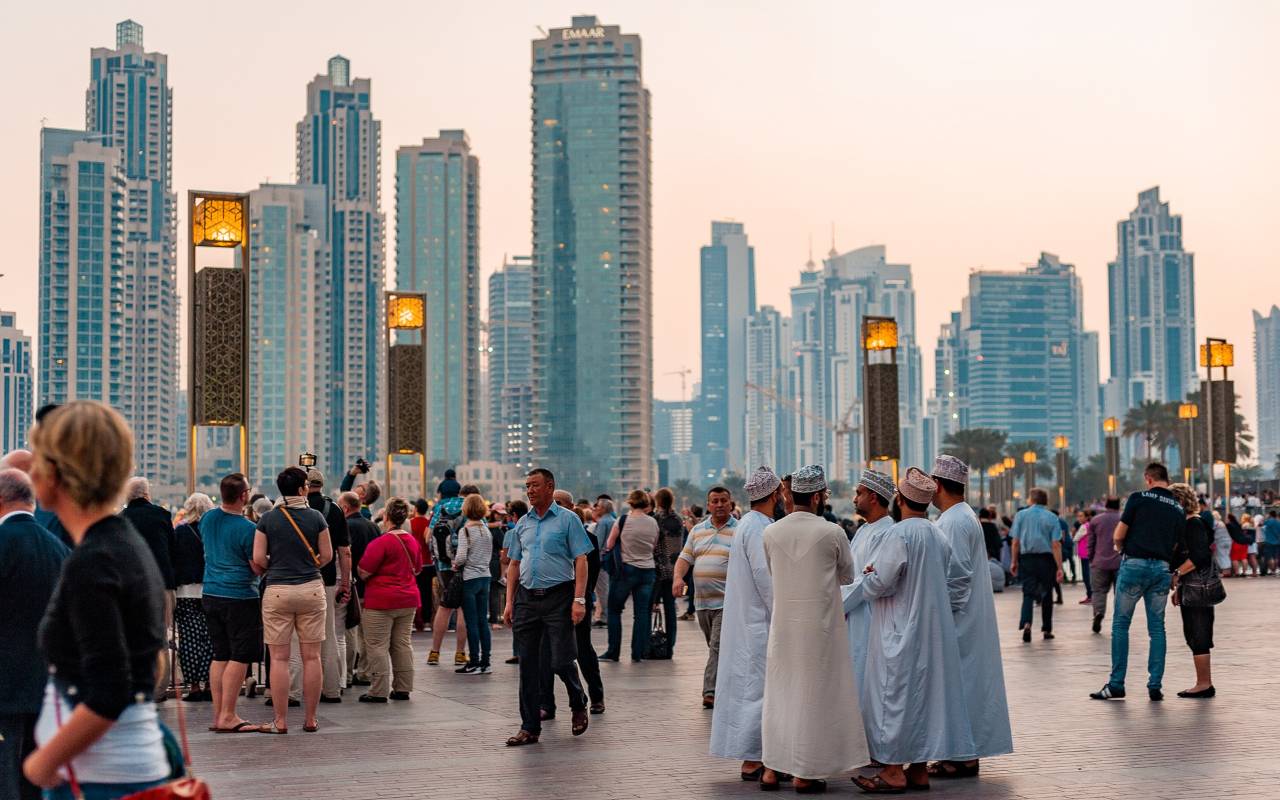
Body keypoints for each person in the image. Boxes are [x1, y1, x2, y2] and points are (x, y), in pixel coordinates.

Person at [22, 402, 171, 798]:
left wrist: (42, 762)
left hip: (98, 779)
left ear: (55, 472)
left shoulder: (94, 560)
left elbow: (110, 689)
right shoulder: (122, 543)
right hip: (115, 769)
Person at [854, 468, 974, 794]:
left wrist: (868, 576)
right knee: (925, 701)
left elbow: (881, 582)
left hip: (899, 630)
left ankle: (894, 771)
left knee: (894, 698)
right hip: (932, 631)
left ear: (901, 499)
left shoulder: (900, 535)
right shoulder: (938, 534)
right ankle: (918, 770)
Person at [761, 465, 868, 793]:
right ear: (820, 496)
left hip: (783, 628)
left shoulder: (770, 533)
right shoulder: (832, 532)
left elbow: (772, 571)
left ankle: (771, 769)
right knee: (814, 695)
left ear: (790, 496)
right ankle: (804, 774)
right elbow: (848, 576)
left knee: (781, 693)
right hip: (820, 628)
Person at [928, 455, 1012, 778]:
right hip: (967, 618)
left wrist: (942, 615)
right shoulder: (962, 516)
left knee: (961, 688)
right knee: (965, 687)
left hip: (959, 621)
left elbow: (958, 575)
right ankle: (963, 753)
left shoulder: (953, 521)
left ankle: (963, 755)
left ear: (937, 485)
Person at [502, 468, 594, 746]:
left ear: (550, 487)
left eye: (535, 485)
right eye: (527, 486)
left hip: (559, 596)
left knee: (561, 659)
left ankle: (578, 701)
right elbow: (515, 563)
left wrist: (579, 600)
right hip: (528, 599)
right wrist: (509, 602)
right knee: (528, 665)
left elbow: (581, 560)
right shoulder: (523, 524)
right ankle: (529, 727)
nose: (529, 490)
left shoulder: (568, 520)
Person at [0, 468, 69, 800]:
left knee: (5, 776)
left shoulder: (2, 543)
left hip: (5, 682)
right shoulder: (58, 548)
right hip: (45, 683)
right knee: (35, 778)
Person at [710, 467, 782, 782]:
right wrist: (784, 613)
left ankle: (756, 757)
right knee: (757, 692)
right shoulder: (760, 528)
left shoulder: (751, 524)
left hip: (749, 621)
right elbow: (767, 580)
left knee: (750, 689)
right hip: (759, 623)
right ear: (776, 494)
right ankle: (754, 758)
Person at [1090, 463, 1185, 702]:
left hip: (1134, 564)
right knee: (1157, 628)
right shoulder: (1177, 507)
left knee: (1121, 625)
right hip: (1161, 568)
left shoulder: (1138, 497)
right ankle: (1155, 685)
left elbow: (1119, 534)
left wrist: (1120, 548)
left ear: (1148, 478)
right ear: (1167, 478)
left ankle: (1116, 684)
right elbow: (1176, 545)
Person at [254, 466, 333, 733]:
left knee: (279, 658)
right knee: (311, 657)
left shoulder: (267, 519)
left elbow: (257, 558)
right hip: (311, 587)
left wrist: (278, 564)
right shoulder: (317, 518)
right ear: (303, 489)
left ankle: (280, 720)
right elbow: (328, 555)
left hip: (278, 590)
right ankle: (310, 719)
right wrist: (308, 566)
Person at [200, 473, 264, 734]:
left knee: (220, 654)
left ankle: (219, 714)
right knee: (239, 656)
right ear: (244, 496)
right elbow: (256, 566)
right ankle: (228, 715)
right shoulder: (248, 529)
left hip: (211, 593)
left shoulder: (208, 518)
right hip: (239, 596)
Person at [673, 486, 737, 709]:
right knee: (716, 647)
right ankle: (730, 684)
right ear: (708, 505)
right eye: (715, 501)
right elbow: (684, 558)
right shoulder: (698, 531)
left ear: (731, 504)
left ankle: (710, 692)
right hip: (702, 604)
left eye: (723, 501)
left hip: (727, 603)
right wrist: (678, 579)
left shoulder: (739, 530)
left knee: (717, 647)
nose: (719, 505)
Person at [357, 498, 422, 701]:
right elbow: (418, 568)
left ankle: (378, 690)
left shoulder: (381, 542)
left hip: (381, 601)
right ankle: (403, 687)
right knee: (402, 644)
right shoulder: (412, 541)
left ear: (386, 517)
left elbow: (364, 570)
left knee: (377, 645)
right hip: (408, 599)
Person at [121, 476, 177, 701]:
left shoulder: (121, 519)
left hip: (132, 587)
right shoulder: (162, 515)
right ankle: (160, 689)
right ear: (147, 494)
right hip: (162, 583)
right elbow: (172, 549)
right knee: (161, 637)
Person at [842, 470, 896, 699]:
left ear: (873, 497)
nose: (855, 499)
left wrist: (834, 601)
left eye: (859, 493)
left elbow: (869, 581)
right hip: (853, 617)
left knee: (867, 680)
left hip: (871, 618)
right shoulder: (863, 529)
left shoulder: (887, 531)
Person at [304, 469, 351, 703]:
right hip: (328, 578)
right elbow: (345, 551)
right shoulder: (334, 509)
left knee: (297, 639)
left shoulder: (294, 509)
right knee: (329, 634)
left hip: (299, 577)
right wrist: (346, 582)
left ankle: (294, 691)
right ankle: (331, 688)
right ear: (322, 485)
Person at [1168, 483, 1218, 698]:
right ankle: (1203, 682)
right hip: (1193, 587)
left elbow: (1199, 556)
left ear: (1179, 501)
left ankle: (1204, 683)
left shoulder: (1193, 524)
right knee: (1194, 633)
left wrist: (1177, 573)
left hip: (1198, 587)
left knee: (1198, 633)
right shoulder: (1190, 524)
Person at [602, 489, 659, 662]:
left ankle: (613, 651)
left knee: (614, 610)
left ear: (631, 502)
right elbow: (654, 545)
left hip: (626, 570)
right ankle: (638, 652)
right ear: (646, 503)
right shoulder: (653, 523)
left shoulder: (623, 520)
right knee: (641, 613)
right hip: (648, 570)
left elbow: (609, 544)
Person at [172, 493, 214, 702]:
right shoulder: (212, 530)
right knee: (209, 638)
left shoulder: (180, 530)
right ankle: (209, 684)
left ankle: (194, 686)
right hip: (210, 590)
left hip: (185, 591)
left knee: (189, 640)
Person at [1009, 488, 1064, 642]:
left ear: (1031, 499)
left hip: (1027, 559)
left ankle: (1027, 623)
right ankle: (1047, 629)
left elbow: (1015, 542)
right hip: (1046, 560)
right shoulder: (1052, 517)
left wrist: (1014, 561)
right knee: (1047, 593)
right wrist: (1059, 567)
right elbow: (1056, 545)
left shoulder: (1021, 515)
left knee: (1028, 592)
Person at [341, 491, 380, 686]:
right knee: (368, 635)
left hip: (353, 586)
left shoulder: (345, 526)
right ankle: (365, 672)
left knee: (350, 632)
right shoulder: (373, 527)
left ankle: (347, 674)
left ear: (346, 508)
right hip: (371, 587)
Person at [427, 483, 468, 666]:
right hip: (463, 565)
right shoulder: (468, 506)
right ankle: (460, 653)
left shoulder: (439, 508)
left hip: (443, 565)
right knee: (463, 609)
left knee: (445, 606)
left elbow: (429, 536)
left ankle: (434, 653)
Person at [454, 494, 495, 674]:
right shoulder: (486, 530)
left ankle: (474, 661)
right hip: (485, 576)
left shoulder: (465, 531)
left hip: (470, 578)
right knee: (482, 621)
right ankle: (486, 660)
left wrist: (455, 563)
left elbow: (462, 556)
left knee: (471, 622)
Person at [651, 488, 687, 652]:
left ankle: (648, 644)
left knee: (651, 605)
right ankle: (670, 644)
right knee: (670, 608)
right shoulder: (678, 519)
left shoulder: (656, 519)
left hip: (659, 569)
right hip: (675, 569)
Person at [1085, 497, 1122, 633]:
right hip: (1120, 562)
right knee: (1120, 593)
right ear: (1119, 506)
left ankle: (1098, 612)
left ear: (1106, 505)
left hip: (1099, 562)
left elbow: (1090, 542)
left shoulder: (1096, 520)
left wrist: (1091, 558)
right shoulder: (1124, 519)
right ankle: (1120, 619)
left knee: (1098, 591)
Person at [409, 499, 436, 630]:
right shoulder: (429, 524)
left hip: (414, 564)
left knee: (414, 592)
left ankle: (415, 620)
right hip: (429, 563)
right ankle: (426, 620)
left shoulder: (410, 524)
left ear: (415, 509)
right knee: (427, 593)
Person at [591, 496, 617, 627]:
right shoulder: (613, 520)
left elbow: (598, 542)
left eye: (599, 507)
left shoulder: (603, 522)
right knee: (607, 588)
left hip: (601, 560)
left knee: (602, 591)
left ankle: (605, 616)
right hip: (611, 559)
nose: (596, 509)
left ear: (604, 509)